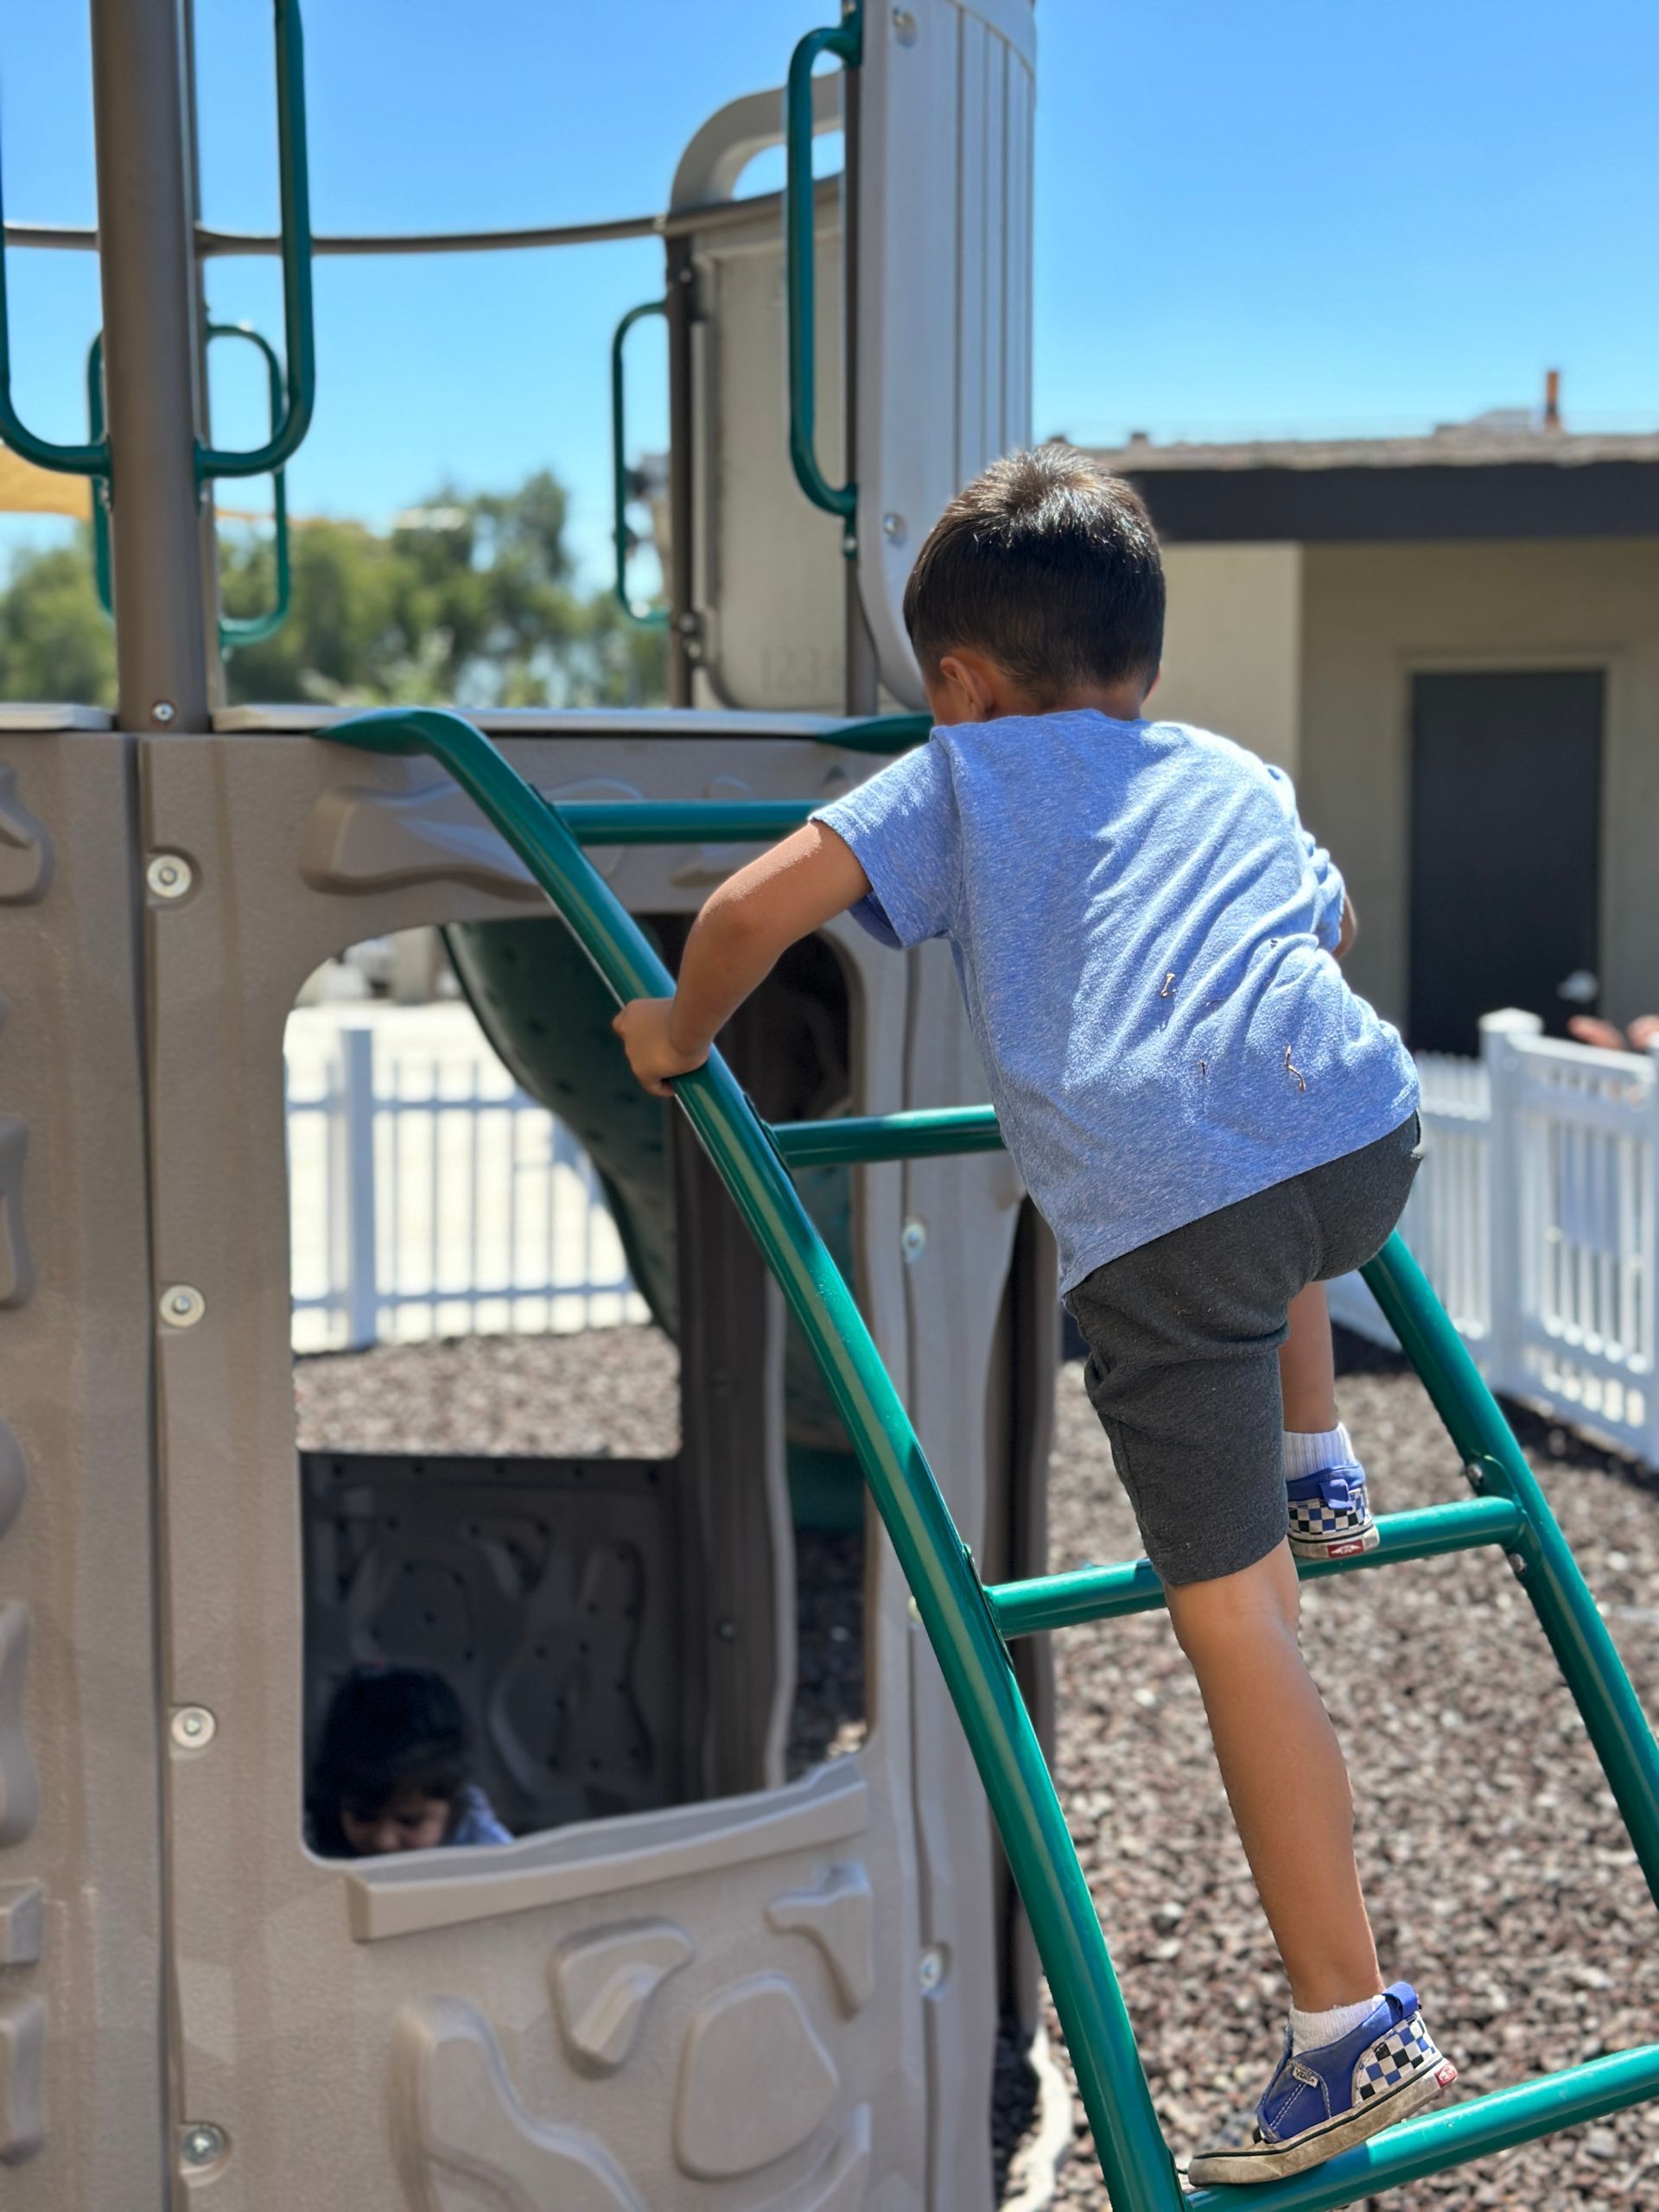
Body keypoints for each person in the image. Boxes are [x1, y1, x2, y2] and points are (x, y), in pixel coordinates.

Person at [613, 444, 1457, 2183]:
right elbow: (1334, 913)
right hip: (1368, 1137)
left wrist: (676, 1035)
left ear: (958, 681)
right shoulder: (1229, 764)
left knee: (1241, 1634)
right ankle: (1321, 1452)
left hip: (1167, 1236)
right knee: (1273, 1155)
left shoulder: (962, 770)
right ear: (1139, 656)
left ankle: (1350, 2018)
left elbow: (756, 908)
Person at [308, 1665, 512, 1857]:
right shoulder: (312, 1841)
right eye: (364, 1817)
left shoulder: (485, 1850)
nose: (384, 1841)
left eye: (410, 1821)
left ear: (453, 1805)